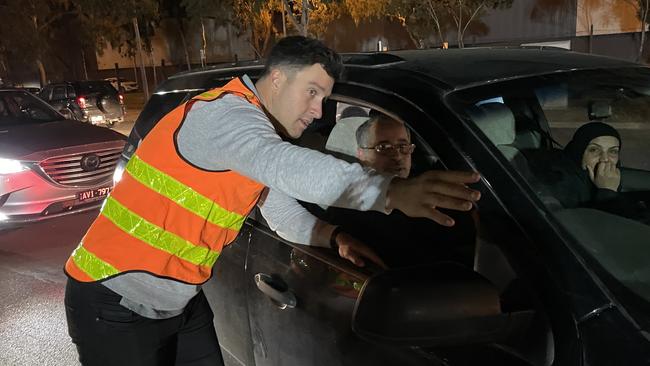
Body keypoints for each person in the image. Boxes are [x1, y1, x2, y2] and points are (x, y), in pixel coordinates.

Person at [63, 36, 481, 366]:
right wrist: (388, 191)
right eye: (312, 92)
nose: (318, 111)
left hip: (179, 300)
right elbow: (282, 164)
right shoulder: (225, 117)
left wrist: (334, 237)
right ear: (278, 79)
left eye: (325, 98)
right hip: (113, 301)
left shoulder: (254, 134)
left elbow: (280, 212)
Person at [310, 114, 477, 268]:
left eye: (403, 146)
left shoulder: (438, 191)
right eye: (383, 147)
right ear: (361, 154)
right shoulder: (345, 210)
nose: (397, 156)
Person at [531, 122, 637, 218]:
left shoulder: (597, 178)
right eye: (594, 150)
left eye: (613, 151)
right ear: (579, 151)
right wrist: (607, 192)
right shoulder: (559, 183)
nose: (605, 159)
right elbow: (593, 230)